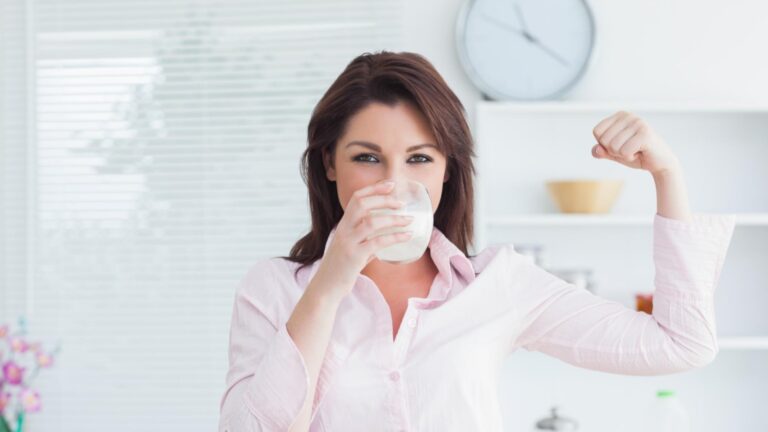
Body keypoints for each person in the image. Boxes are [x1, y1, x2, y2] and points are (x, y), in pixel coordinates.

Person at [217, 51, 736, 432]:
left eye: (419, 158)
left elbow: (682, 344)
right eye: (367, 158)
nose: (393, 184)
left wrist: (667, 174)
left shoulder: (497, 285)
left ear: (447, 171)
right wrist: (330, 285)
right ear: (330, 163)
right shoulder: (276, 290)